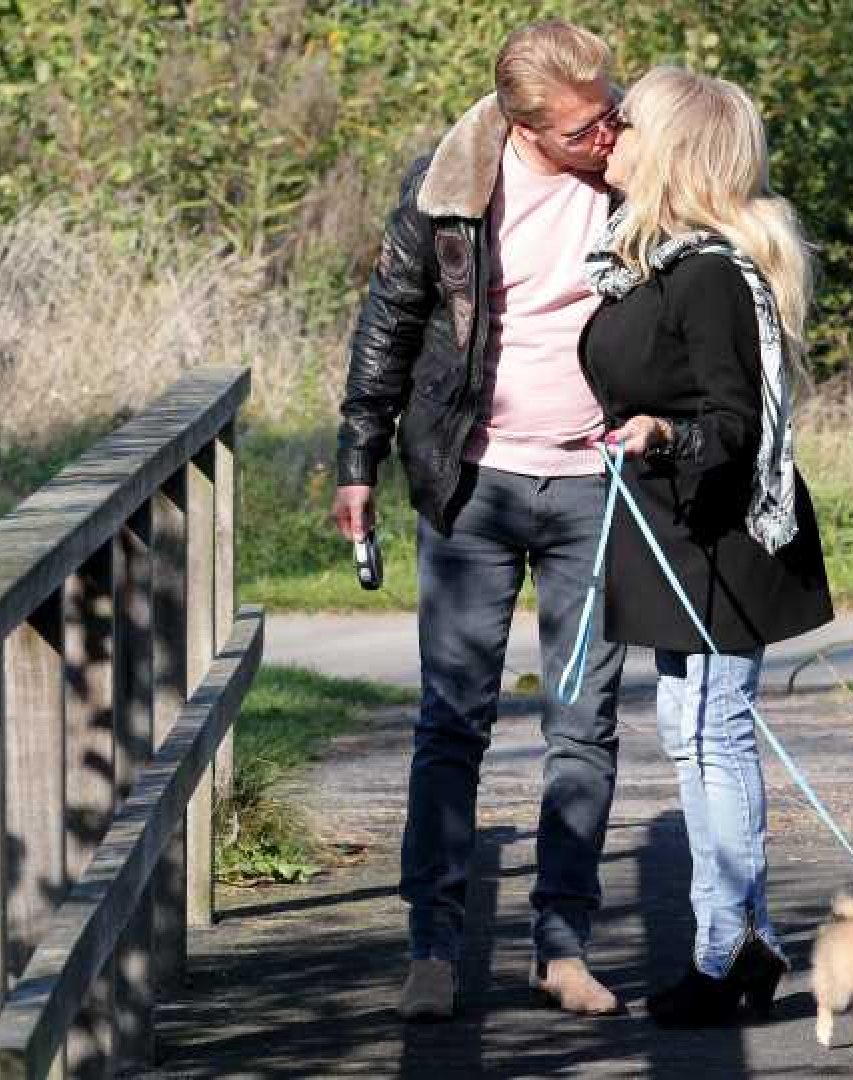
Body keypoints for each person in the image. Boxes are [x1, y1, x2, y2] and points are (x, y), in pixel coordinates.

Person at [330, 20, 632, 1022]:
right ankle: (434, 944)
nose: (609, 133)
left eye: (613, 110)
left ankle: (563, 946)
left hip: (596, 489)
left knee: (583, 727)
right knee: (451, 720)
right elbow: (392, 320)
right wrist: (357, 459)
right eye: (588, 125)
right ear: (525, 125)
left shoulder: (640, 176)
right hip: (471, 486)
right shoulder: (451, 189)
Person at [578, 66, 834, 1027]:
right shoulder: (655, 263)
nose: (612, 137)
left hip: (722, 537)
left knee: (709, 737)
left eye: (628, 123)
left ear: (672, 150)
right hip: (674, 534)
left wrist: (659, 434)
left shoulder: (713, 276)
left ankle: (726, 951)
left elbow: (732, 425)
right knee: (691, 736)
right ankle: (742, 941)